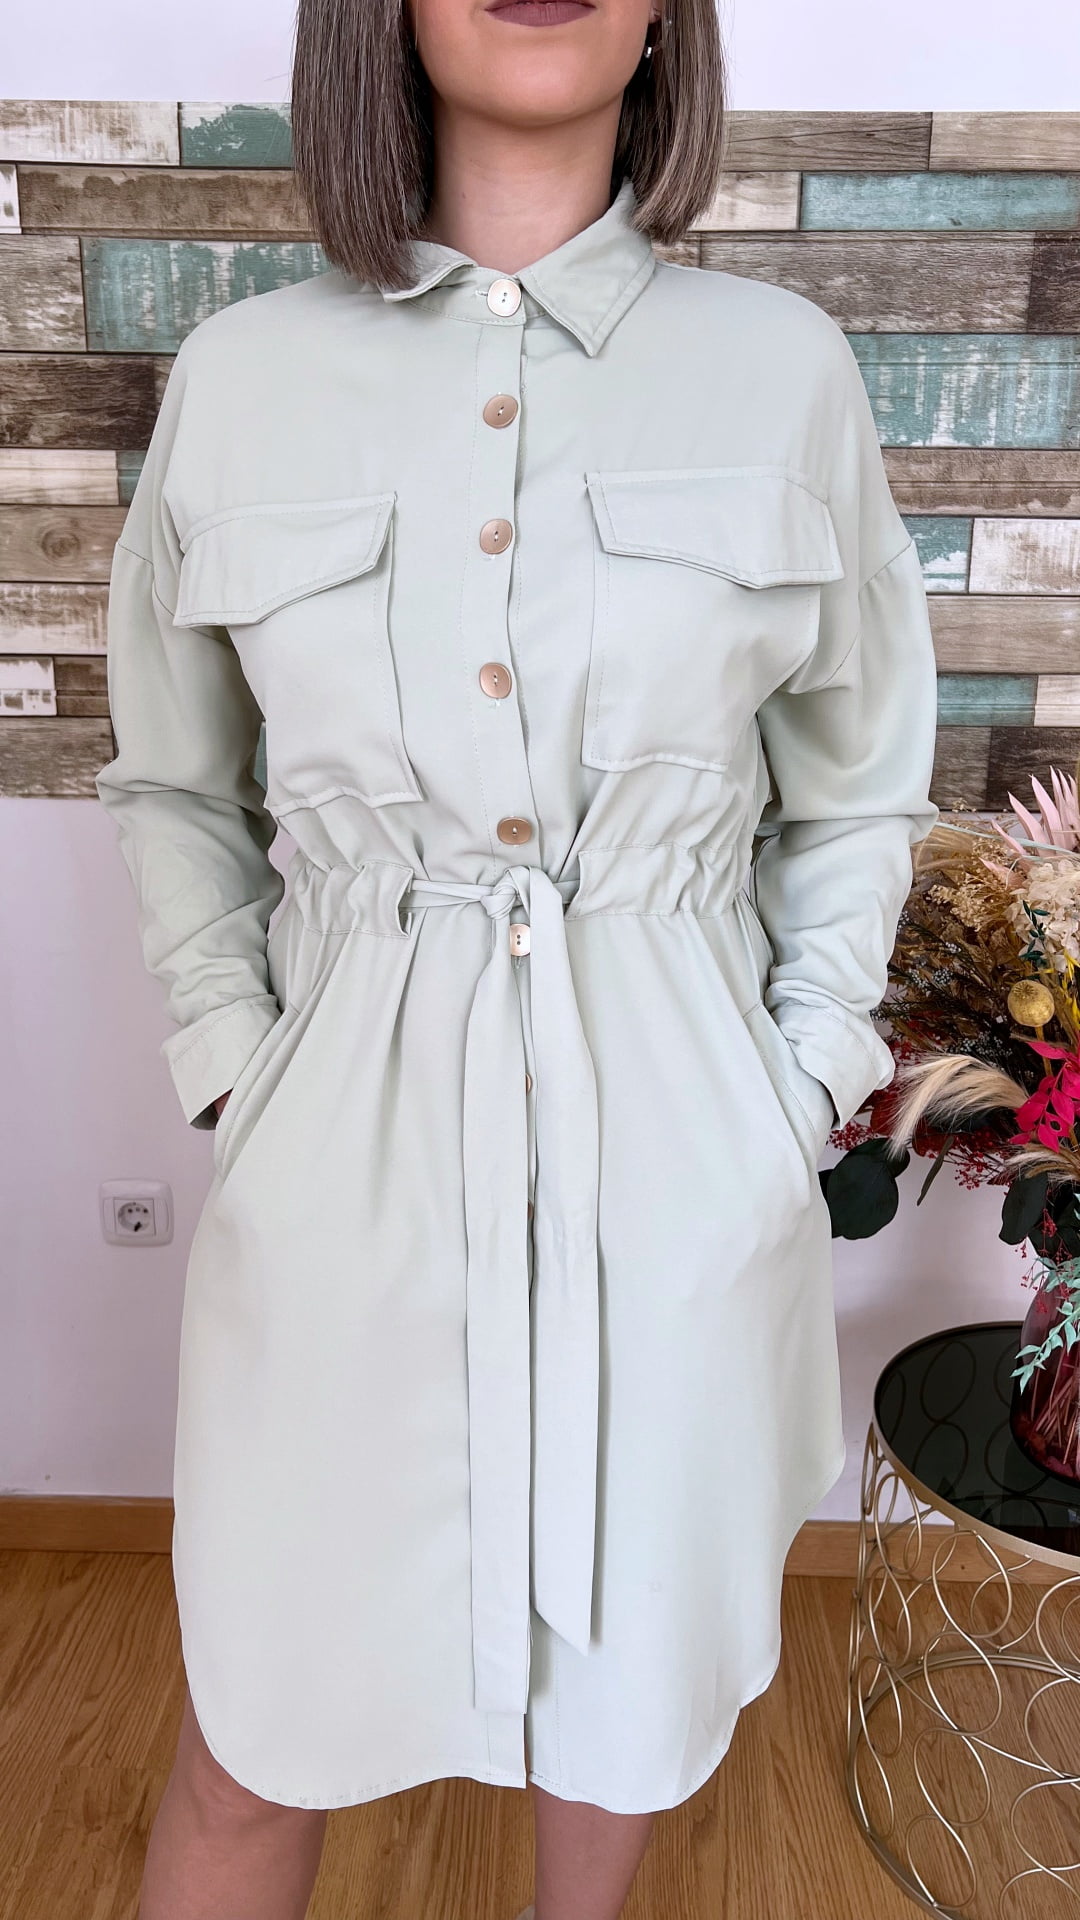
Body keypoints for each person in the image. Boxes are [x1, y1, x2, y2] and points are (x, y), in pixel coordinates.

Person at [94, 1, 941, 1916]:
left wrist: (796, 1081)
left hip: (677, 1152)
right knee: (257, 1735)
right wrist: (238, 1063)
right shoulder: (241, 376)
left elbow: (856, 786)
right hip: (346, 1168)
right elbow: (173, 780)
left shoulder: (783, 371)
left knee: (621, 1720)